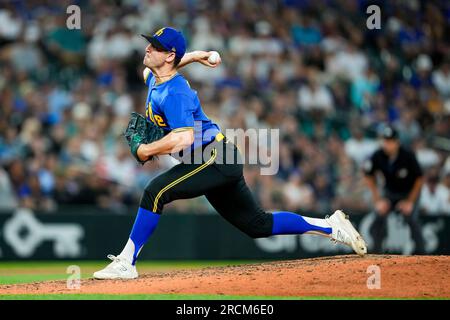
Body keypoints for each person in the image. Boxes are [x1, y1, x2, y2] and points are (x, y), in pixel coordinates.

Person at [93, 27, 367, 280]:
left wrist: (145, 149)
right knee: (257, 225)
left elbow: (184, 137)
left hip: (214, 157)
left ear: (169, 55)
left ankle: (127, 262)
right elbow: (165, 67)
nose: (148, 49)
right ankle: (332, 226)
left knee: (156, 191)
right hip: (215, 159)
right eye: (149, 44)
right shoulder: (153, 76)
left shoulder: (175, 93)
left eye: (155, 46)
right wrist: (198, 55)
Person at [363, 125, 425, 254]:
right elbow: (368, 175)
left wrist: (410, 202)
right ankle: (377, 252)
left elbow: (419, 179)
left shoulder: (408, 155)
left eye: (390, 141)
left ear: (397, 142)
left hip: (409, 193)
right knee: (378, 218)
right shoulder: (378, 155)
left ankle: (421, 254)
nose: (387, 144)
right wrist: (378, 200)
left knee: (411, 218)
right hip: (390, 193)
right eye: (385, 141)